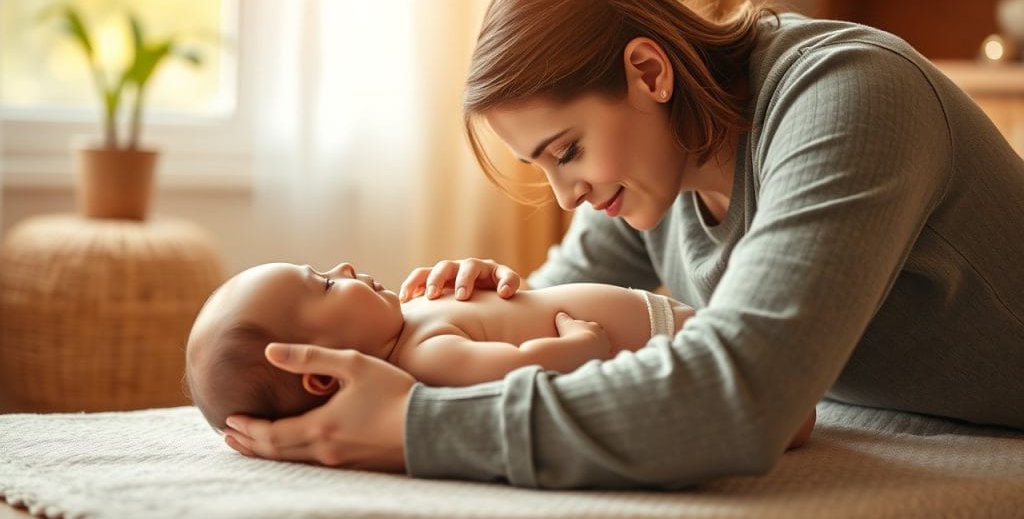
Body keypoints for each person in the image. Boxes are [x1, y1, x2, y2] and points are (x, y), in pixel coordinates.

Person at [222, 0, 1024, 488]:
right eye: (543, 166)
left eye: (567, 150)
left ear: (649, 71)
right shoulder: (647, 183)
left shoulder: (850, 97)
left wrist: (419, 427)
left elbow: (733, 399)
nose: (566, 194)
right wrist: (485, 304)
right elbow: (559, 313)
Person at [187, 261, 818, 447]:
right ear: (322, 374)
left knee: (771, 354)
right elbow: (523, 372)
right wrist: (581, 346)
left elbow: (503, 311)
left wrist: (482, 276)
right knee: (783, 403)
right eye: (324, 284)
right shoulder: (427, 359)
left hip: (666, 318)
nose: (344, 266)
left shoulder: (412, 316)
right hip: (656, 344)